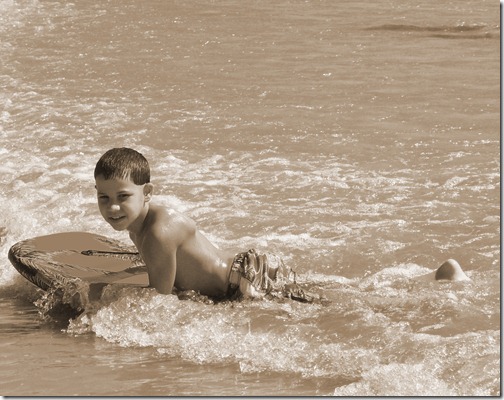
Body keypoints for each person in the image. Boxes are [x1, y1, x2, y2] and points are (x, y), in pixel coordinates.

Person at [94, 148, 470, 302]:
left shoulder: (158, 231)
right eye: (104, 197)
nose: (112, 208)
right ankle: (430, 279)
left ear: (148, 192)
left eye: (122, 196)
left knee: (340, 304)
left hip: (243, 282)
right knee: (335, 292)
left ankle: (432, 290)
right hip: (246, 267)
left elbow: (159, 302)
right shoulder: (148, 221)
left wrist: (98, 295)